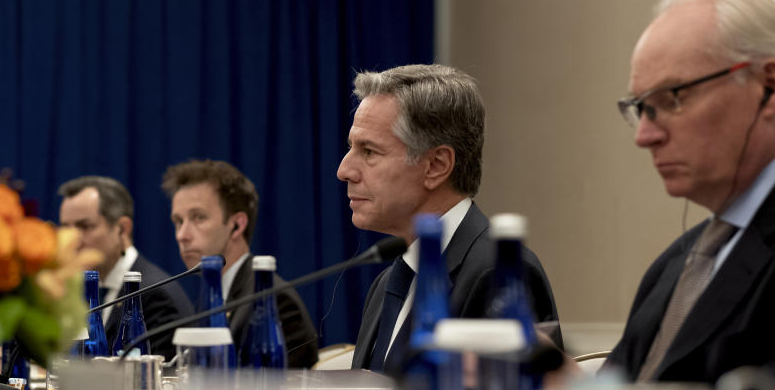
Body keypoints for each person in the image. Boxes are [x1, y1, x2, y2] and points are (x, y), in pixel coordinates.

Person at [605, 0, 775, 390]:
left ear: (769, 86)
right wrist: (551, 381)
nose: (645, 136)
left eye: (671, 98)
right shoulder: (677, 263)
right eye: (640, 109)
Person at [337, 64, 561, 372]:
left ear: (436, 165)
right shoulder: (387, 284)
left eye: (369, 152)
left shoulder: (501, 272)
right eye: (351, 148)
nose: (344, 170)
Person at [161, 159, 319, 368]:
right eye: (178, 221)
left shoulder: (272, 300)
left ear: (237, 225)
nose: (182, 235)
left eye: (198, 217)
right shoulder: (210, 299)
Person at [58, 176, 193, 358]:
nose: (72, 238)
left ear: (122, 228)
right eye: (66, 227)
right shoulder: (80, 287)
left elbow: (154, 379)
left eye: (85, 226)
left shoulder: (154, 294)